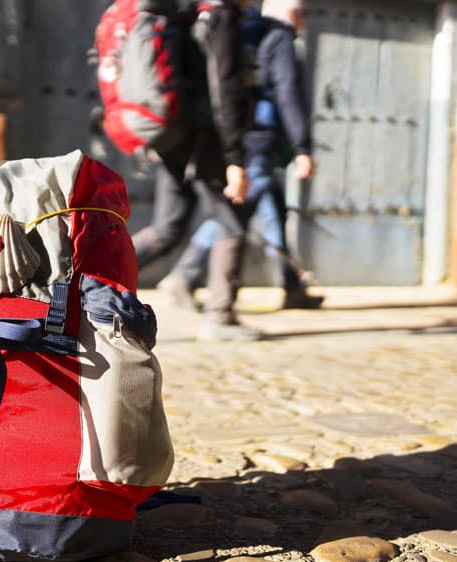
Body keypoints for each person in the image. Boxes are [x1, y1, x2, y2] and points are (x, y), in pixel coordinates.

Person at [158, 0, 323, 312]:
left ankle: (292, 285)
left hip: (245, 134)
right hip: (260, 138)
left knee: (274, 210)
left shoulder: (247, 29)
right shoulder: (279, 37)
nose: (306, 20)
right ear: (294, 14)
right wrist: (303, 147)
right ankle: (186, 275)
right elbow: (287, 93)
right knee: (233, 215)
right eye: (304, 12)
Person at [132, 0, 260, 341]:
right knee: (232, 223)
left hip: (175, 137)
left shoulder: (188, 14)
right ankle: (220, 317)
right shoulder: (221, 19)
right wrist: (235, 159)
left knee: (166, 228)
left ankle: (83, 280)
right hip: (205, 140)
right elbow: (225, 89)